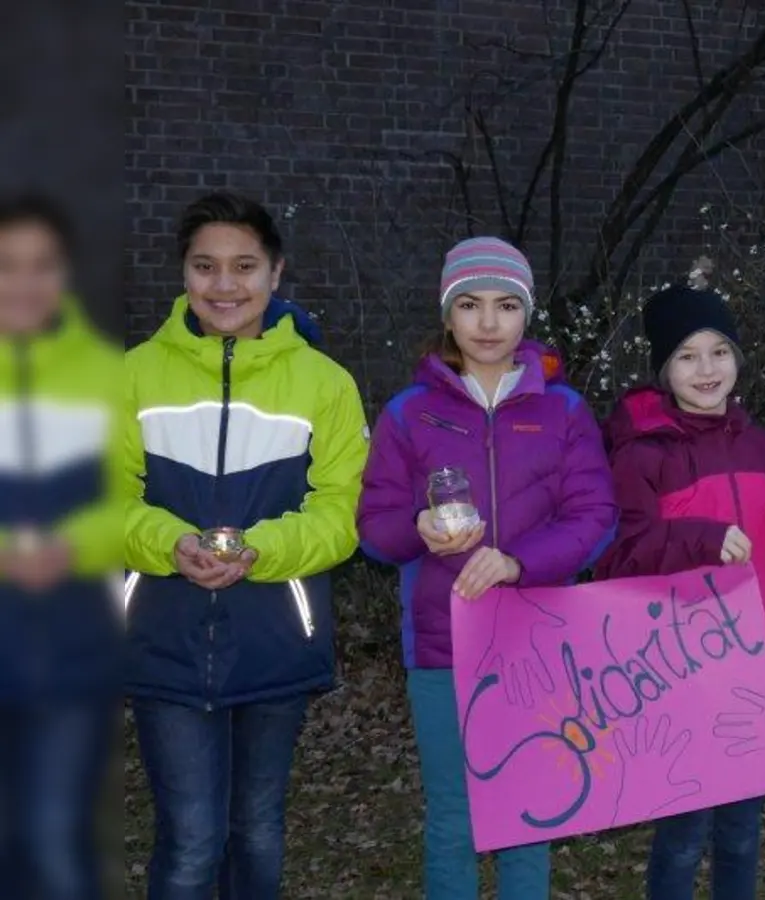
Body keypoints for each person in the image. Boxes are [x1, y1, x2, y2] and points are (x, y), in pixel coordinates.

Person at [123, 192, 369, 899]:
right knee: (192, 841)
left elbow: (339, 515)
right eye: (205, 266)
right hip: (164, 635)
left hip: (275, 636)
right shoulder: (135, 374)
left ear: (275, 273)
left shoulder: (326, 383)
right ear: (183, 273)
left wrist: (260, 551)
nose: (224, 285)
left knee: (257, 830)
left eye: (243, 266)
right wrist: (170, 544)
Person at [356, 236, 617, 900]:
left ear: (526, 314)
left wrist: (517, 561)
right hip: (445, 645)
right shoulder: (408, 412)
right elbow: (374, 527)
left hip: (537, 640)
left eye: (506, 305)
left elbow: (595, 516)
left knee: (529, 812)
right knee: (454, 819)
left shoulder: (563, 410)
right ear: (448, 314)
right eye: (470, 305)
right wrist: (415, 528)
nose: (488, 322)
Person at [594, 284, 765, 900]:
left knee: (743, 832)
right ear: (664, 368)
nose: (706, 369)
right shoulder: (639, 454)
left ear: (737, 362)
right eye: (688, 356)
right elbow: (618, 557)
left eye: (719, 352)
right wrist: (699, 537)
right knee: (683, 834)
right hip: (677, 669)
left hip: (755, 661)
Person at [0, 193, 122, 899]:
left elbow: (133, 503)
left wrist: (70, 547)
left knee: (53, 840)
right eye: (8, 265)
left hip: (73, 659)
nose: (24, 282)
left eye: (42, 265)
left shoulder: (107, 375)